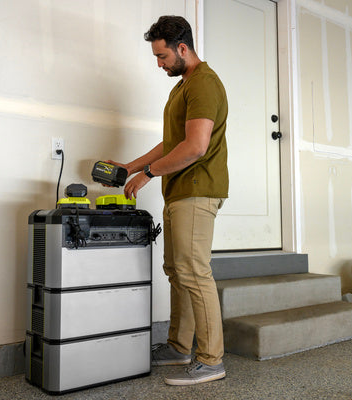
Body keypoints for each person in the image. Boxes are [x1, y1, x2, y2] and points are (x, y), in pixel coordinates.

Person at [107, 15, 228, 386]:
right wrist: (131, 166)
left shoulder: (204, 83)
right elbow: (173, 142)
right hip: (178, 190)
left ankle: (211, 361)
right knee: (177, 272)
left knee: (194, 272)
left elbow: (195, 147)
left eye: (162, 57)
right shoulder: (182, 86)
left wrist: (149, 173)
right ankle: (179, 347)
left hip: (196, 188)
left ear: (182, 48)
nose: (159, 65)